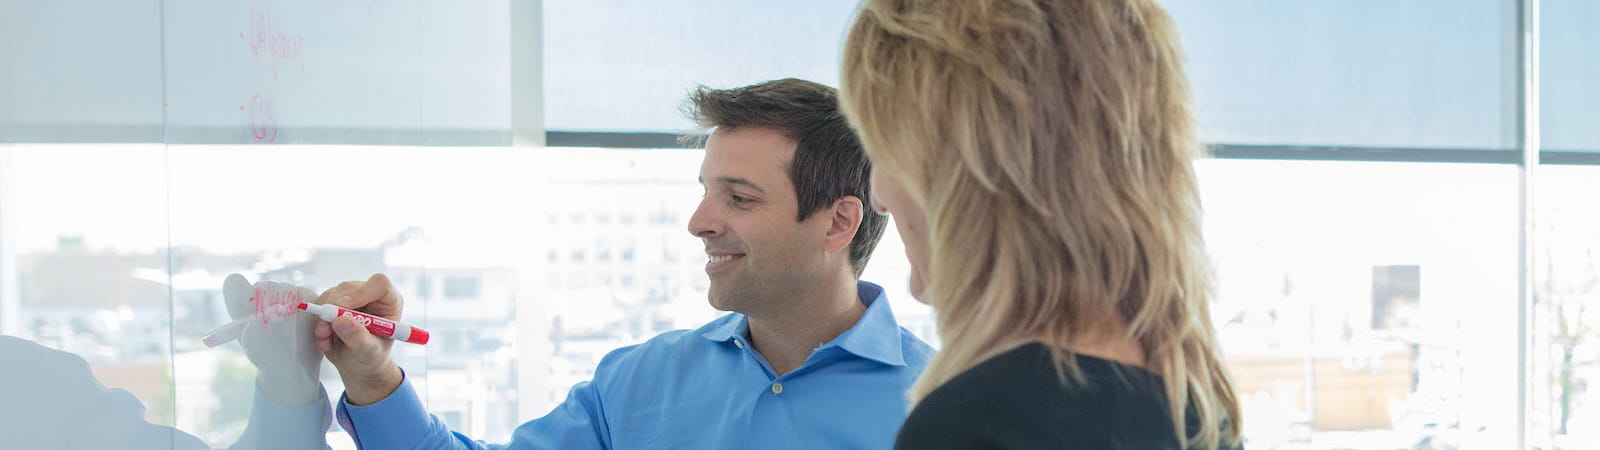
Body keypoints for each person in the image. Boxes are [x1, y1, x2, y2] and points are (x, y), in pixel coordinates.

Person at [312, 78, 935, 449]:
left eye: (739, 198)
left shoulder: (943, 406)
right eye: (705, 191)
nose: (700, 222)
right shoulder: (639, 383)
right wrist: (372, 379)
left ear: (839, 222)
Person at [838, 0, 1243, 449]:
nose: (875, 196)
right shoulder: (1198, 412)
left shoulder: (976, 425)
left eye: (881, 147)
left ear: (961, 169)